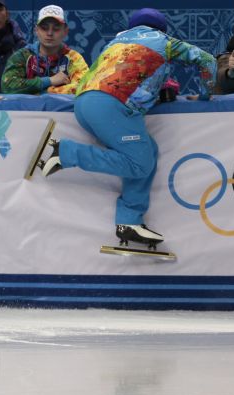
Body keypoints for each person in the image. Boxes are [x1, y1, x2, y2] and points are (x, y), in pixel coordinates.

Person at [38, 8, 217, 247]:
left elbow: (139, 76)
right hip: (113, 106)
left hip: (84, 104)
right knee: (140, 163)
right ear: (160, 30)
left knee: (148, 151)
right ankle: (66, 152)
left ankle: (129, 221)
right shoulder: (164, 41)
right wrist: (205, 95)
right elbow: (207, 61)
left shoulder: (113, 45)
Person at [1, 4, 88, 95]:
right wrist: (49, 81)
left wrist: (47, 91)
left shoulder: (73, 58)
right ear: (36, 30)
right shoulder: (23, 56)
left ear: (65, 31)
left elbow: (83, 87)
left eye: (56, 28)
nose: (50, 33)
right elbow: (7, 86)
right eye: (44, 28)